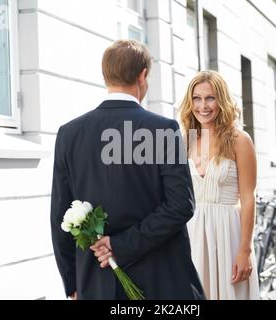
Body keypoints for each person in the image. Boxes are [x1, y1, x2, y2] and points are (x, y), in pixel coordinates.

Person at [50, 39, 205, 300]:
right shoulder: (162, 129)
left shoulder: (69, 134)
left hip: (94, 281)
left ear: (105, 75)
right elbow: (181, 205)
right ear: (142, 75)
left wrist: (73, 283)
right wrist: (119, 246)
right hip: (160, 279)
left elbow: (60, 217)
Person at [179, 70, 260, 300]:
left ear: (221, 100)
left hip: (228, 234)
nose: (203, 105)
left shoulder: (239, 140)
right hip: (192, 235)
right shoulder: (185, 140)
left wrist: (245, 249)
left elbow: (248, 198)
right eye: (197, 98)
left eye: (210, 98)